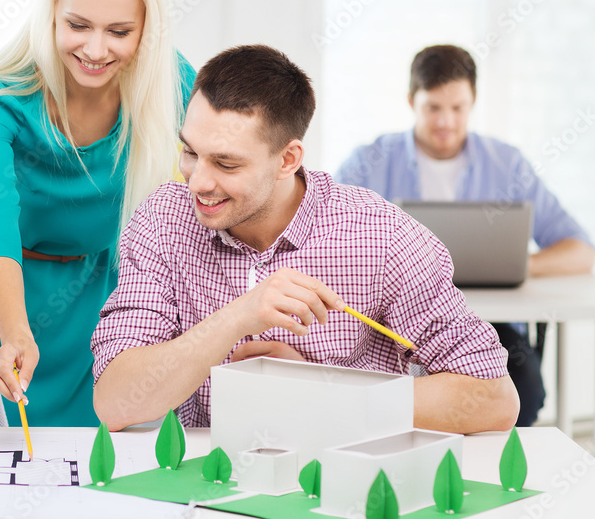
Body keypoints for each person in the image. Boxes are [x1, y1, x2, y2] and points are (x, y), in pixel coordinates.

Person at [91, 44, 519, 434]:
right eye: (190, 152)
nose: (198, 182)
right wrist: (238, 317)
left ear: (288, 159)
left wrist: (318, 392)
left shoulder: (381, 235)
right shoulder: (164, 219)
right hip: (208, 479)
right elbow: (115, 403)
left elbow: (493, 398)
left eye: (226, 164)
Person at [0, 0, 197, 427]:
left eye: (119, 32)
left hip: (105, 298)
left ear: (148, 29)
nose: (95, 49)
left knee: (100, 456)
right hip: (6, 292)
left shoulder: (172, 83)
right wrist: (16, 333)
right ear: (50, 14)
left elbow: (222, 175)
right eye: (78, 25)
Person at [336, 44, 594, 426]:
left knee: (524, 392)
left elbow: (581, 251)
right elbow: (327, 241)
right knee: (383, 390)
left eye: (458, 108)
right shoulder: (368, 162)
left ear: (473, 102)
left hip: (490, 326)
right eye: (433, 108)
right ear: (411, 101)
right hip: (393, 326)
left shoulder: (507, 163)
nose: (446, 121)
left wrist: (518, 266)